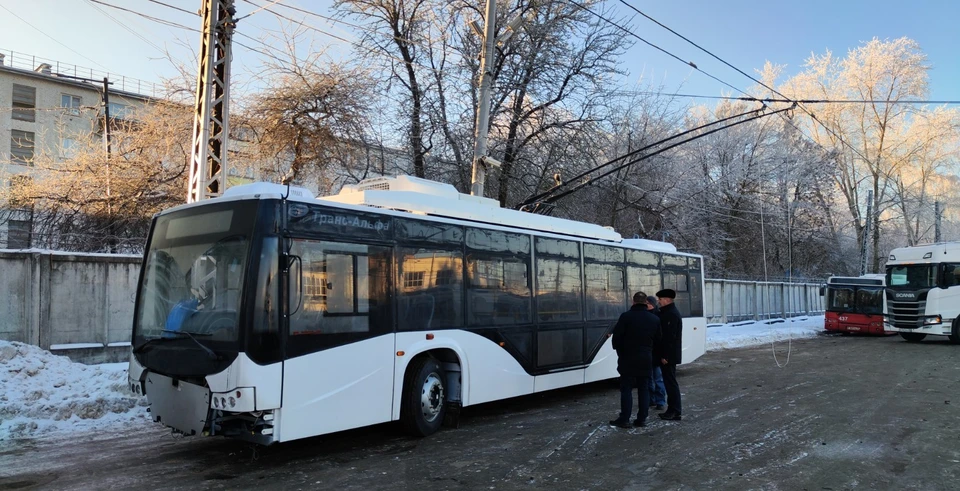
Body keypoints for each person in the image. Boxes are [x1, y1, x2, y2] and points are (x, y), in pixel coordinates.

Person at [609, 291, 662, 429]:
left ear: (633, 302)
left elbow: (616, 340)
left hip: (627, 358)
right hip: (645, 359)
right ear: (646, 302)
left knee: (626, 389)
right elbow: (658, 341)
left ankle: (625, 419)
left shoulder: (625, 317)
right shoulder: (654, 319)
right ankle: (641, 419)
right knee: (644, 389)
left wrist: (622, 353)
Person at [656, 288, 683, 421]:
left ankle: (675, 410)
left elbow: (669, 338)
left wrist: (665, 355)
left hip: (669, 356)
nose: (658, 302)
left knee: (671, 383)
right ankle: (673, 409)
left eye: (660, 299)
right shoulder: (668, 312)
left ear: (666, 300)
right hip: (668, 355)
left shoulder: (671, 314)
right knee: (669, 382)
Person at [646, 295, 667, 411]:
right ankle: (651, 400)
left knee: (658, 378)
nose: (647, 305)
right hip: (648, 352)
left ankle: (660, 401)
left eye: (649, 303)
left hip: (656, 353)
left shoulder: (658, 316)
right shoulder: (645, 315)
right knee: (649, 378)